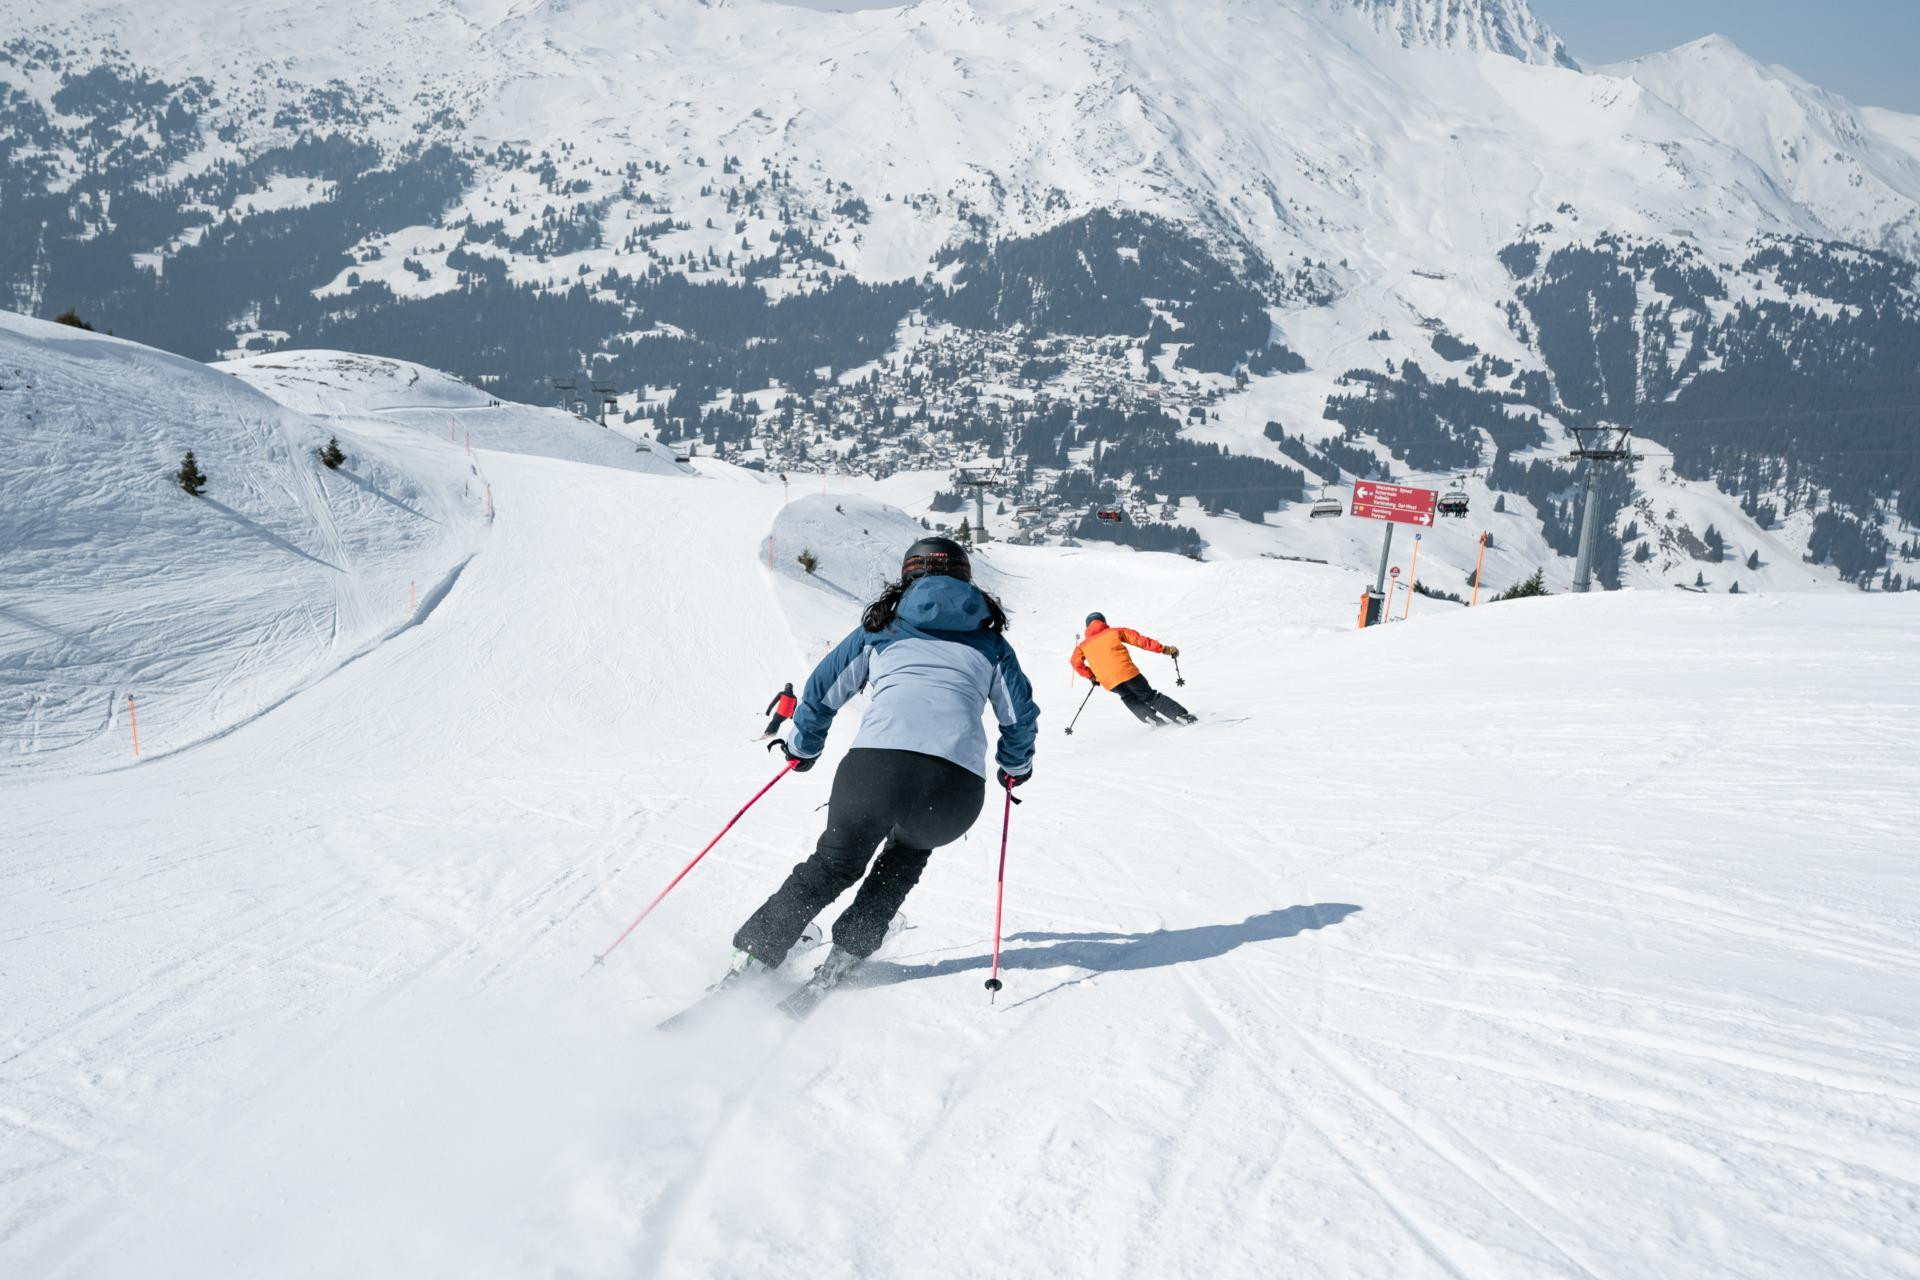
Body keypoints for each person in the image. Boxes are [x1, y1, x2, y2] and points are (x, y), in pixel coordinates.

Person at [725, 536, 1040, 1005]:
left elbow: (822, 690)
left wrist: (805, 747)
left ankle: (754, 955)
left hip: (875, 771)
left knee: (832, 864)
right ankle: (847, 955)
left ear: (907, 577)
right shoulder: (992, 645)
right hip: (954, 789)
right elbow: (1019, 718)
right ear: (967, 580)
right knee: (905, 858)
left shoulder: (881, 630)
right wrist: (1015, 767)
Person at [1070, 612, 1196, 726]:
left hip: (1109, 681)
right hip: (1127, 672)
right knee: (1149, 696)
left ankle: (1149, 717)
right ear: (1103, 621)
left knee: (1128, 697)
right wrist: (1164, 649)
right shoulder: (1114, 632)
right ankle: (1180, 715)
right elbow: (1140, 640)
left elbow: (1075, 663)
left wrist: (1092, 676)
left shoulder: (1082, 646)